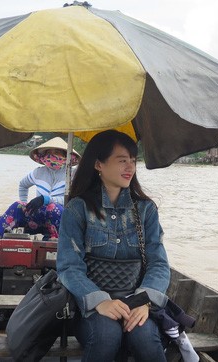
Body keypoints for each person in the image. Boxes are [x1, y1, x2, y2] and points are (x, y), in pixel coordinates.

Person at [56, 130, 171, 362]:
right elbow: (69, 267)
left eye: (133, 160)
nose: (130, 167)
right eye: (122, 161)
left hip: (136, 301)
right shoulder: (77, 209)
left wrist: (144, 302)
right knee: (106, 335)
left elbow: (158, 263)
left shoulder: (146, 210)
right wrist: (101, 301)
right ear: (99, 164)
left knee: (145, 337)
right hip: (90, 308)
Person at [0, 137, 80, 246]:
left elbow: (74, 200)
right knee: (16, 206)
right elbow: (23, 185)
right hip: (37, 220)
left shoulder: (72, 175)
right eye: (48, 153)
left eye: (56, 152)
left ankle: (56, 242)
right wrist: (24, 203)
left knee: (52, 207)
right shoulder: (38, 173)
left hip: (60, 221)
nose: (52, 155)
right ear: (44, 156)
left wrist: (46, 200)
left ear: (65, 156)